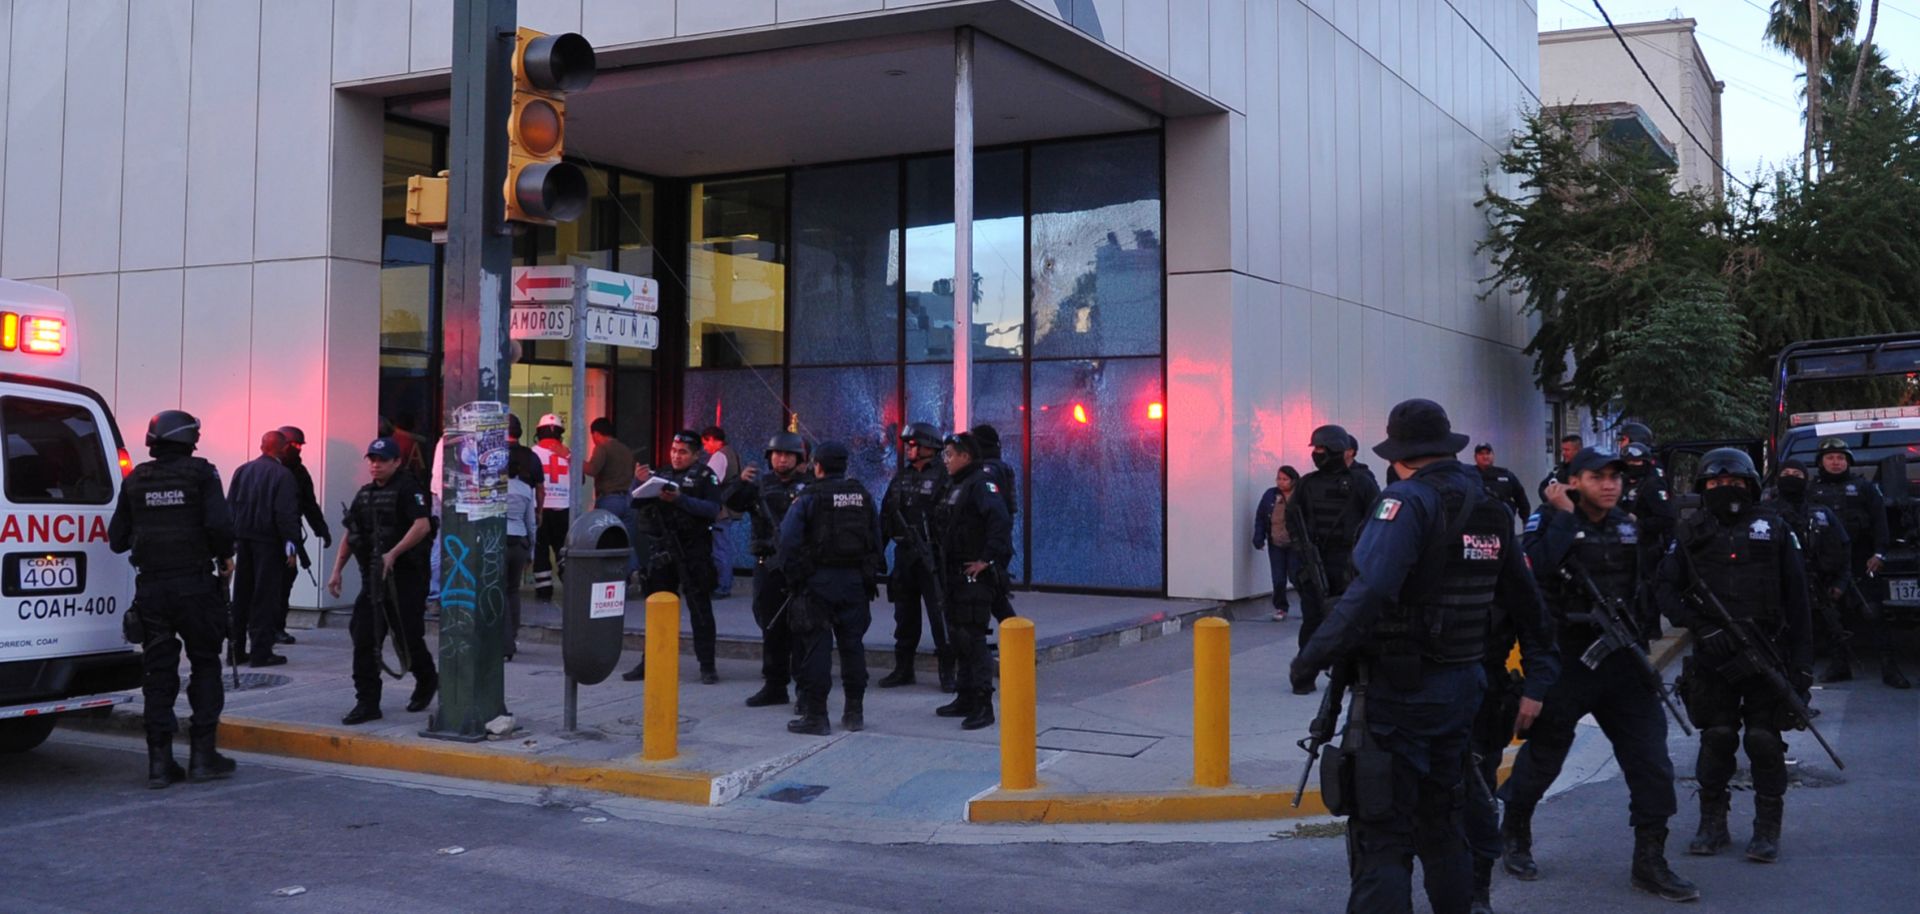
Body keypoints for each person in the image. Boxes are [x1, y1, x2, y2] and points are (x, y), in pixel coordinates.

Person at [1290, 399, 1556, 914]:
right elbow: (1529, 605)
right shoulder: (1491, 508)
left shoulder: (1405, 502)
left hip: (1399, 694)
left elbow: (1369, 594)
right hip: (1461, 689)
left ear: (1400, 455)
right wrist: (1540, 676)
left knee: (1382, 837)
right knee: (1442, 826)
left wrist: (1310, 659)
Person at [1499, 448, 1698, 902]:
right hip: (1567, 661)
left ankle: (1650, 861)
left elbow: (1643, 586)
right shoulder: (1547, 522)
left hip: (1623, 662)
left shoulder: (1628, 524)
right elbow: (1534, 576)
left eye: (1615, 477)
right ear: (1573, 480)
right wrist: (1564, 515)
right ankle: (1514, 833)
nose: (1609, 485)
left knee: (1652, 762)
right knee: (1545, 757)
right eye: (1597, 477)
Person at [1655, 448, 1814, 865]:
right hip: (1714, 655)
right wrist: (1701, 626)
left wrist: (1802, 666)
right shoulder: (1690, 534)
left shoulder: (1775, 528)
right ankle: (1712, 824)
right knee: (1718, 737)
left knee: (1763, 740)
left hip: (1767, 652)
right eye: (1715, 483)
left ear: (1750, 485)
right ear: (1703, 488)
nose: (1725, 489)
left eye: (1734, 482)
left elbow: (1799, 601)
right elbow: (1665, 589)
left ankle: (1766, 830)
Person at [108, 409, 239, 788]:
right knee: (205, 665)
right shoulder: (202, 473)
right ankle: (202, 758)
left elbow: (117, 539)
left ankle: (159, 765)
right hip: (196, 588)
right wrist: (225, 556)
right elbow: (219, 525)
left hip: (152, 591)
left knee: (158, 675)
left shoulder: (135, 480)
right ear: (189, 438)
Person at [327, 437, 439, 725]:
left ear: (396, 462)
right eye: (372, 460)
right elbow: (351, 535)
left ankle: (426, 680)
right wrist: (337, 571)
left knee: (408, 636)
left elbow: (422, 525)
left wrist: (394, 553)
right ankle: (367, 702)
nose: (375, 465)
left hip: (406, 578)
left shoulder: (409, 488)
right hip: (374, 579)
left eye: (382, 460)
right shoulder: (364, 495)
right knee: (364, 638)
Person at [778, 441, 883, 735]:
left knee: (816, 650)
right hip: (855, 584)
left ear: (818, 466)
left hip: (817, 584)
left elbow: (787, 541)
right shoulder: (862, 495)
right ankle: (854, 713)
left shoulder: (809, 496)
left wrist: (795, 576)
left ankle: (816, 716)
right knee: (853, 647)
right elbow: (876, 537)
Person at [622, 430, 724, 684]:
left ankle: (707, 666)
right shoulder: (661, 475)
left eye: (683, 452)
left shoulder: (705, 477)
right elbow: (633, 503)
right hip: (663, 551)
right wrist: (638, 482)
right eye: (673, 451)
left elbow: (713, 509)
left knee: (700, 609)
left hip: (693, 550)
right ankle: (651, 662)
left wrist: (681, 500)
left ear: (696, 454)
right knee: (658, 608)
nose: (676, 457)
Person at [1806, 437, 1908, 688]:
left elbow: (1880, 523)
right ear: (1821, 462)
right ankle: (1839, 665)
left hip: (1862, 560)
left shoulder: (1864, 488)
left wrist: (1880, 553)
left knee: (1873, 613)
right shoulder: (1811, 491)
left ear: (1848, 462)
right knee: (1833, 616)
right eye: (1830, 458)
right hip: (1827, 564)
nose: (1836, 462)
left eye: (1841, 458)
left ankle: (1889, 669)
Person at [1288, 423, 1381, 693]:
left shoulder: (1362, 482)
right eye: (1314, 448)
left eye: (1320, 448)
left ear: (1336, 449)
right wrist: (1302, 555)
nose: (1315, 453)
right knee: (1312, 621)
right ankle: (1304, 674)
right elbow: (1294, 519)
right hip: (1314, 561)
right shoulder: (1307, 483)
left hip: (1349, 563)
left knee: (1351, 620)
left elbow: (1375, 521)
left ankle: (1352, 673)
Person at [727, 432, 810, 709]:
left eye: (788, 455)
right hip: (768, 566)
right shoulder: (759, 485)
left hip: (799, 568)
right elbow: (730, 502)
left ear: (799, 459)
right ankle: (775, 685)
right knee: (770, 625)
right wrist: (740, 482)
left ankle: (805, 689)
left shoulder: (809, 487)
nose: (782, 459)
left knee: (802, 628)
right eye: (777, 454)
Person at [936, 432, 1013, 730]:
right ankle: (964, 696)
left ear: (966, 456)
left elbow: (1000, 521)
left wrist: (988, 559)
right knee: (958, 637)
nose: (946, 460)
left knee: (973, 638)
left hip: (974, 575)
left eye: (950, 455)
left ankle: (983, 704)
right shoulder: (956, 485)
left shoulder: (982, 484)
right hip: (953, 573)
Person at [1764, 459, 1854, 681]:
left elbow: (1843, 549)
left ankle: (1834, 668)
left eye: (1797, 473)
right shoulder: (1765, 513)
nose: (1792, 477)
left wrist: (1840, 583)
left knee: (1828, 628)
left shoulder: (1820, 512)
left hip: (1817, 583)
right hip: (1777, 587)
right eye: (1787, 473)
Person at [880, 422, 954, 689]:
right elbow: (886, 514)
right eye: (908, 444)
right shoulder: (901, 477)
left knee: (940, 615)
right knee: (905, 617)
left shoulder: (945, 477)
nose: (909, 448)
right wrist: (879, 550)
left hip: (933, 558)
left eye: (914, 444)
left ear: (930, 447)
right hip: (905, 557)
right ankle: (904, 669)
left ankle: (948, 671)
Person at [227, 430, 299, 668]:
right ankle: (261, 652)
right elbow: (286, 514)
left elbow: (231, 506)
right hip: (269, 543)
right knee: (265, 597)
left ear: (261, 446)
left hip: (244, 539)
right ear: (283, 448)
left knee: (242, 596)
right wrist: (291, 546)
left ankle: (235, 651)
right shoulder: (283, 475)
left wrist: (231, 540)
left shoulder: (243, 470)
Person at [273, 425, 332, 646]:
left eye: (300, 446)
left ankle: (276, 626)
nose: (298, 450)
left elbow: (309, 504)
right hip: (268, 536)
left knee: (286, 578)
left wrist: (321, 529)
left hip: (289, 534)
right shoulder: (270, 470)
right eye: (294, 445)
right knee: (269, 583)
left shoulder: (299, 472)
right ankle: (264, 627)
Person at [970, 423, 1019, 622]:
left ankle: (1017, 643)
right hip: (997, 542)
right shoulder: (999, 468)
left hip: (991, 543)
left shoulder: (988, 470)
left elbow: (996, 514)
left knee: (991, 595)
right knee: (994, 595)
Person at [586, 418, 641, 577]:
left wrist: (571, 459)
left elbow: (592, 469)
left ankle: (608, 577)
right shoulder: (626, 450)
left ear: (596, 433)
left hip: (610, 501)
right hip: (629, 501)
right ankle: (633, 572)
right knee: (627, 541)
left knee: (606, 539)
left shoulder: (602, 448)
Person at [1252, 465, 1302, 622]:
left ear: (1293, 480)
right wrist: (1259, 538)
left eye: (1285, 479)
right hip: (1276, 542)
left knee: (1296, 576)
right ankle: (1281, 607)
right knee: (1278, 578)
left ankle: (1309, 604)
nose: (1281, 482)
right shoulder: (1270, 495)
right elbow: (1260, 517)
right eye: (1279, 478)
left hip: (1296, 543)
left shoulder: (1300, 495)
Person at [529, 414, 571, 600]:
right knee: (563, 549)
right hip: (564, 509)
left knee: (540, 551)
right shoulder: (568, 454)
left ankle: (544, 592)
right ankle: (572, 587)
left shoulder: (532, 453)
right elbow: (580, 479)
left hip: (541, 509)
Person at [503, 449, 539, 661]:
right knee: (513, 590)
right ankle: (513, 636)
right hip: (520, 541)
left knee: (499, 591)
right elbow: (531, 523)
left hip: (500, 542)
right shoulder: (526, 489)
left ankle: (505, 644)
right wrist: (531, 550)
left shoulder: (495, 488)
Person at [702, 426, 743, 599]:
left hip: (720, 510)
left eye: (705, 443)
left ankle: (722, 586)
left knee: (720, 549)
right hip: (728, 507)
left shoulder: (719, 456)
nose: (705, 448)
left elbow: (710, 482)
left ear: (712, 439)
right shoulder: (732, 453)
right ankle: (724, 584)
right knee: (723, 547)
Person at [1471, 443, 1531, 519]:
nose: (1485, 457)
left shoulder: (1506, 475)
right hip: (1477, 521)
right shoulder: (1469, 475)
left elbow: (1521, 499)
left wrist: (1526, 520)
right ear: (1475, 457)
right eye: (1481, 454)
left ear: (1493, 455)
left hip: (1503, 521)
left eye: (1488, 453)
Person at [1538, 434, 1583, 503]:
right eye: (1562, 450)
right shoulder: (1559, 468)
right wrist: (1551, 500)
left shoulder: (1587, 470)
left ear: (1578, 451)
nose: (1563, 453)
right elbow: (1543, 487)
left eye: (1567, 450)